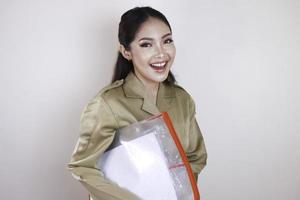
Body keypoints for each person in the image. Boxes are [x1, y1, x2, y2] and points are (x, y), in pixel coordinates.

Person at [68, 6, 207, 200]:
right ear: (126, 51)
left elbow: (195, 156)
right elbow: (82, 167)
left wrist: (179, 192)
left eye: (166, 41)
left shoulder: (181, 99)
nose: (161, 53)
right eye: (146, 44)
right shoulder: (107, 104)